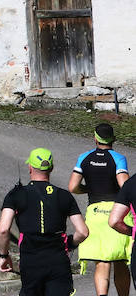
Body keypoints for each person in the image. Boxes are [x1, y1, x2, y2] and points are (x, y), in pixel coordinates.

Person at [0, 148, 88, 296]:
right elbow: (83, 232)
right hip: (58, 261)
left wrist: (4, 255)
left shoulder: (16, 195)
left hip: (31, 262)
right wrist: (70, 243)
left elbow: (3, 230)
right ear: (51, 168)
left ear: (30, 168)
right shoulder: (64, 196)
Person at [69, 123, 130, 296]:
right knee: (120, 260)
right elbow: (124, 186)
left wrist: (87, 189)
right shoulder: (118, 158)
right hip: (116, 211)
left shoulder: (84, 157)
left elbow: (73, 187)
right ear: (113, 139)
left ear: (95, 138)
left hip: (94, 212)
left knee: (101, 262)